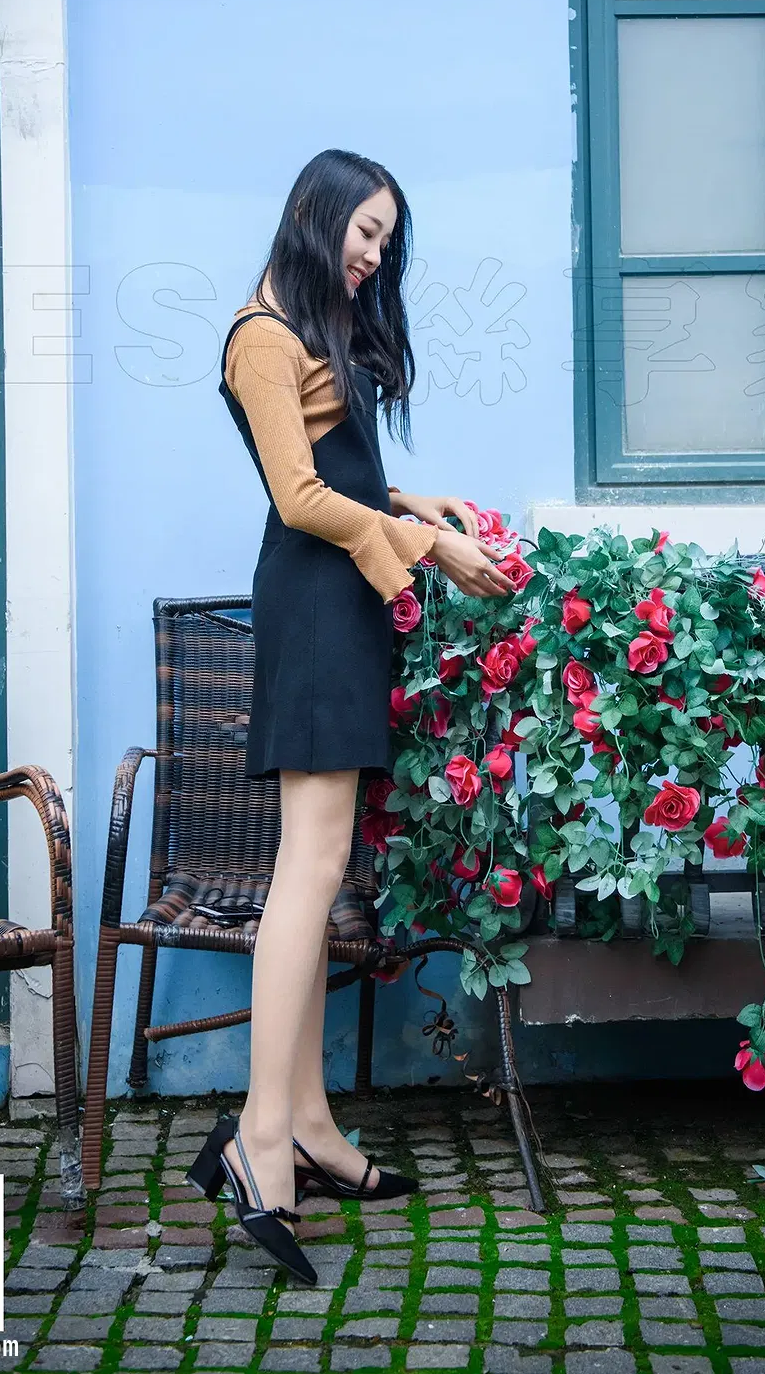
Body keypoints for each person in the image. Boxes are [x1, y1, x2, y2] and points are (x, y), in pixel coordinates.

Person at [186, 149, 514, 1282]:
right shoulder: (261, 337)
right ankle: (260, 1137)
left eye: (386, 238)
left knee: (319, 873)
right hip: (318, 607)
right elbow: (299, 496)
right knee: (309, 871)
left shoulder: (309, 326)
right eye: (363, 231)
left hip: (343, 604)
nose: (374, 255)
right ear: (313, 215)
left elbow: (340, 467)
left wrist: (412, 499)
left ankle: (313, 1129)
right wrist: (428, 545)